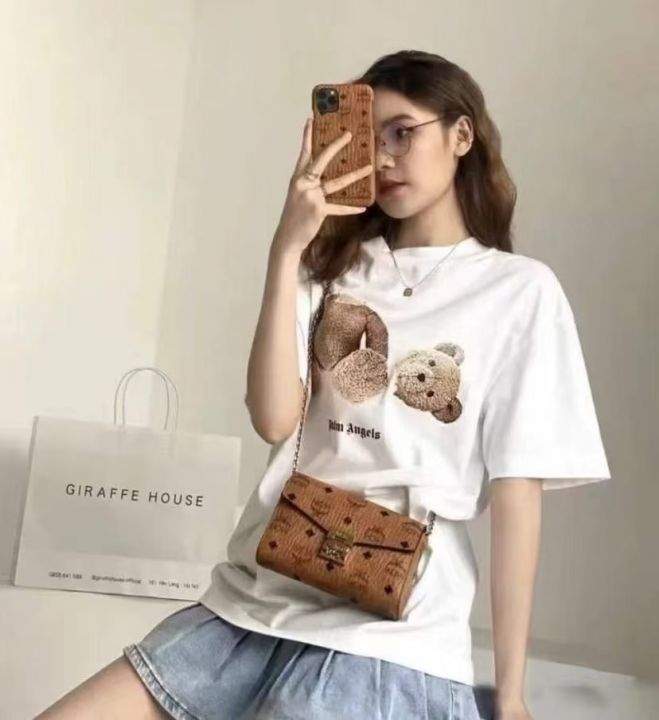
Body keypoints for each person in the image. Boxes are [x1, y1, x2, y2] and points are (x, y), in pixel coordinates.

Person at [38, 49, 611, 720]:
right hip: (255, 597)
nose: (385, 156)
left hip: (389, 630)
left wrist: (510, 693)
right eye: (372, 137)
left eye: (404, 132)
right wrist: (286, 248)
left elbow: (518, 494)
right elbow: (274, 419)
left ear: (461, 135)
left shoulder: (517, 292)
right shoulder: (331, 266)